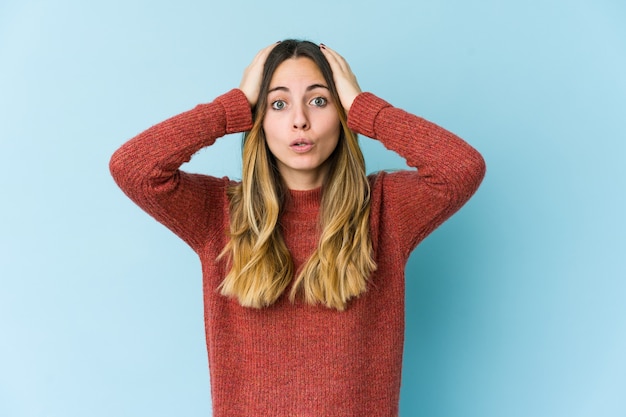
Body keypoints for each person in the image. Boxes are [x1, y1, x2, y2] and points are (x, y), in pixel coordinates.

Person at [110, 39, 486, 417]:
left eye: (319, 100)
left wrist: (365, 109)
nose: (299, 119)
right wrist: (232, 106)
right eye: (278, 103)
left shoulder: (386, 210)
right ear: (258, 119)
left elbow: (461, 168)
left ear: (342, 114)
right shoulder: (217, 213)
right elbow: (134, 168)